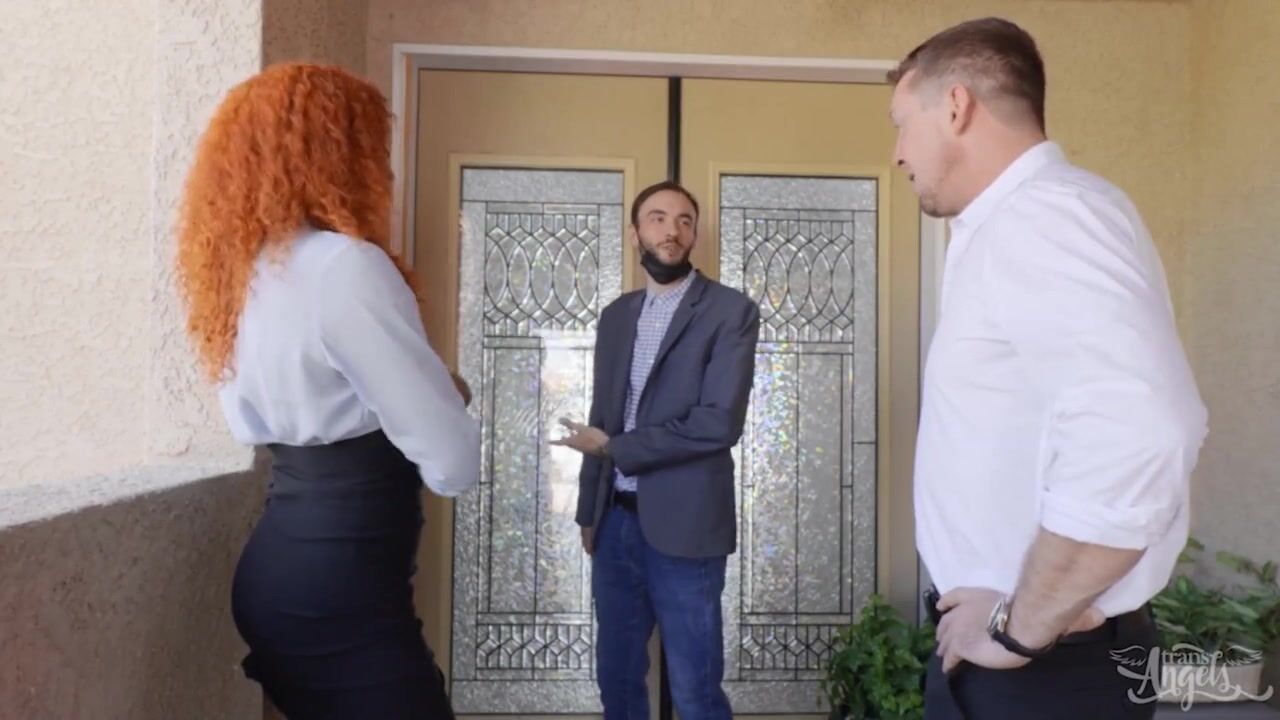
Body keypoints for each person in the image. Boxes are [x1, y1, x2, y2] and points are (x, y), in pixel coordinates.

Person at [889, 17, 1209, 719]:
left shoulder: (1042, 216)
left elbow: (1141, 428)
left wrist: (1022, 628)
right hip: (1030, 660)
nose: (897, 153)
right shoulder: (1028, 219)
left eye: (902, 125)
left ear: (956, 106)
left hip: (1042, 672)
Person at [175, 62, 479, 719]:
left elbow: (297, 408)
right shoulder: (346, 266)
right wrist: (444, 393)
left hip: (285, 574)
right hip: (342, 590)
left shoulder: (240, 277)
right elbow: (452, 463)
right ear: (338, 153)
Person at [552, 181, 760, 720]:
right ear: (635, 234)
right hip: (615, 525)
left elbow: (717, 423)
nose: (672, 230)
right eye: (658, 218)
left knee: (695, 690)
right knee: (617, 681)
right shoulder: (617, 315)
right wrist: (589, 511)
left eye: (685, 221)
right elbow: (603, 414)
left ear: (695, 235)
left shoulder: (730, 311)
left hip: (687, 528)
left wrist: (616, 448)